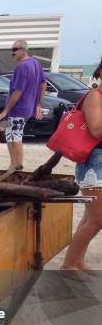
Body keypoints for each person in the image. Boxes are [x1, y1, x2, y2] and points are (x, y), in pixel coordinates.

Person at [61, 60, 102, 272]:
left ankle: (77, 261)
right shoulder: (95, 95)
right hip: (95, 165)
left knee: (89, 217)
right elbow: (95, 130)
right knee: (97, 221)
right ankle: (68, 265)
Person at [0, 40, 47, 169]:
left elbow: (18, 91)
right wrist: (38, 104)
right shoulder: (35, 63)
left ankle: (17, 165)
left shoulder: (22, 66)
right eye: (12, 49)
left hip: (18, 109)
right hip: (26, 108)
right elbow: (43, 84)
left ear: (24, 50)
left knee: (15, 137)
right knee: (10, 135)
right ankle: (13, 164)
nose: (12, 52)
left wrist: (5, 111)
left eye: (15, 49)